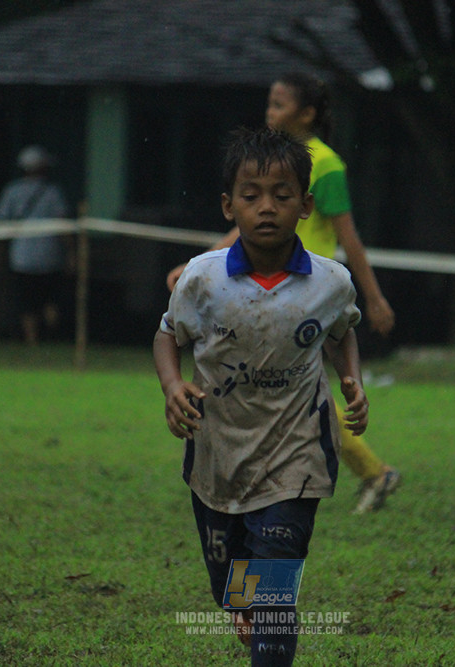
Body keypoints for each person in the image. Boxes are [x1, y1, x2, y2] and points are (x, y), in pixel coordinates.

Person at [155, 126, 367, 666]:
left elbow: (343, 332)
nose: (266, 207)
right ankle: (244, 607)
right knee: (231, 588)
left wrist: (352, 380)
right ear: (229, 205)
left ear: (305, 205)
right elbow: (166, 335)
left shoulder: (332, 281)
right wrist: (173, 384)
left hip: (296, 457)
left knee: (273, 591)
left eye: (282, 194)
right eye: (251, 196)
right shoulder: (201, 279)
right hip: (218, 454)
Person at [167, 72, 399, 514]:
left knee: (305, 397)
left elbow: (349, 238)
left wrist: (374, 297)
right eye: (269, 104)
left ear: (306, 113)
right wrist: (201, 263)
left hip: (306, 296)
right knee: (277, 395)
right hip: (259, 291)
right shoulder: (272, 165)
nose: (269, 113)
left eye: (278, 104)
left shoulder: (325, 166)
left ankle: (370, 472)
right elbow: (245, 224)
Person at [0, 145, 71, 344]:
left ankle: (33, 341)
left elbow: (2, 225)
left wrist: (1, 254)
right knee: (50, 300)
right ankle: (51, 338)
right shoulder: (54, 192)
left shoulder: (12, 192)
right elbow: (63, 225)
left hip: (21, 258)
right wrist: (71, 253)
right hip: (50, 256)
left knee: (26, 302)